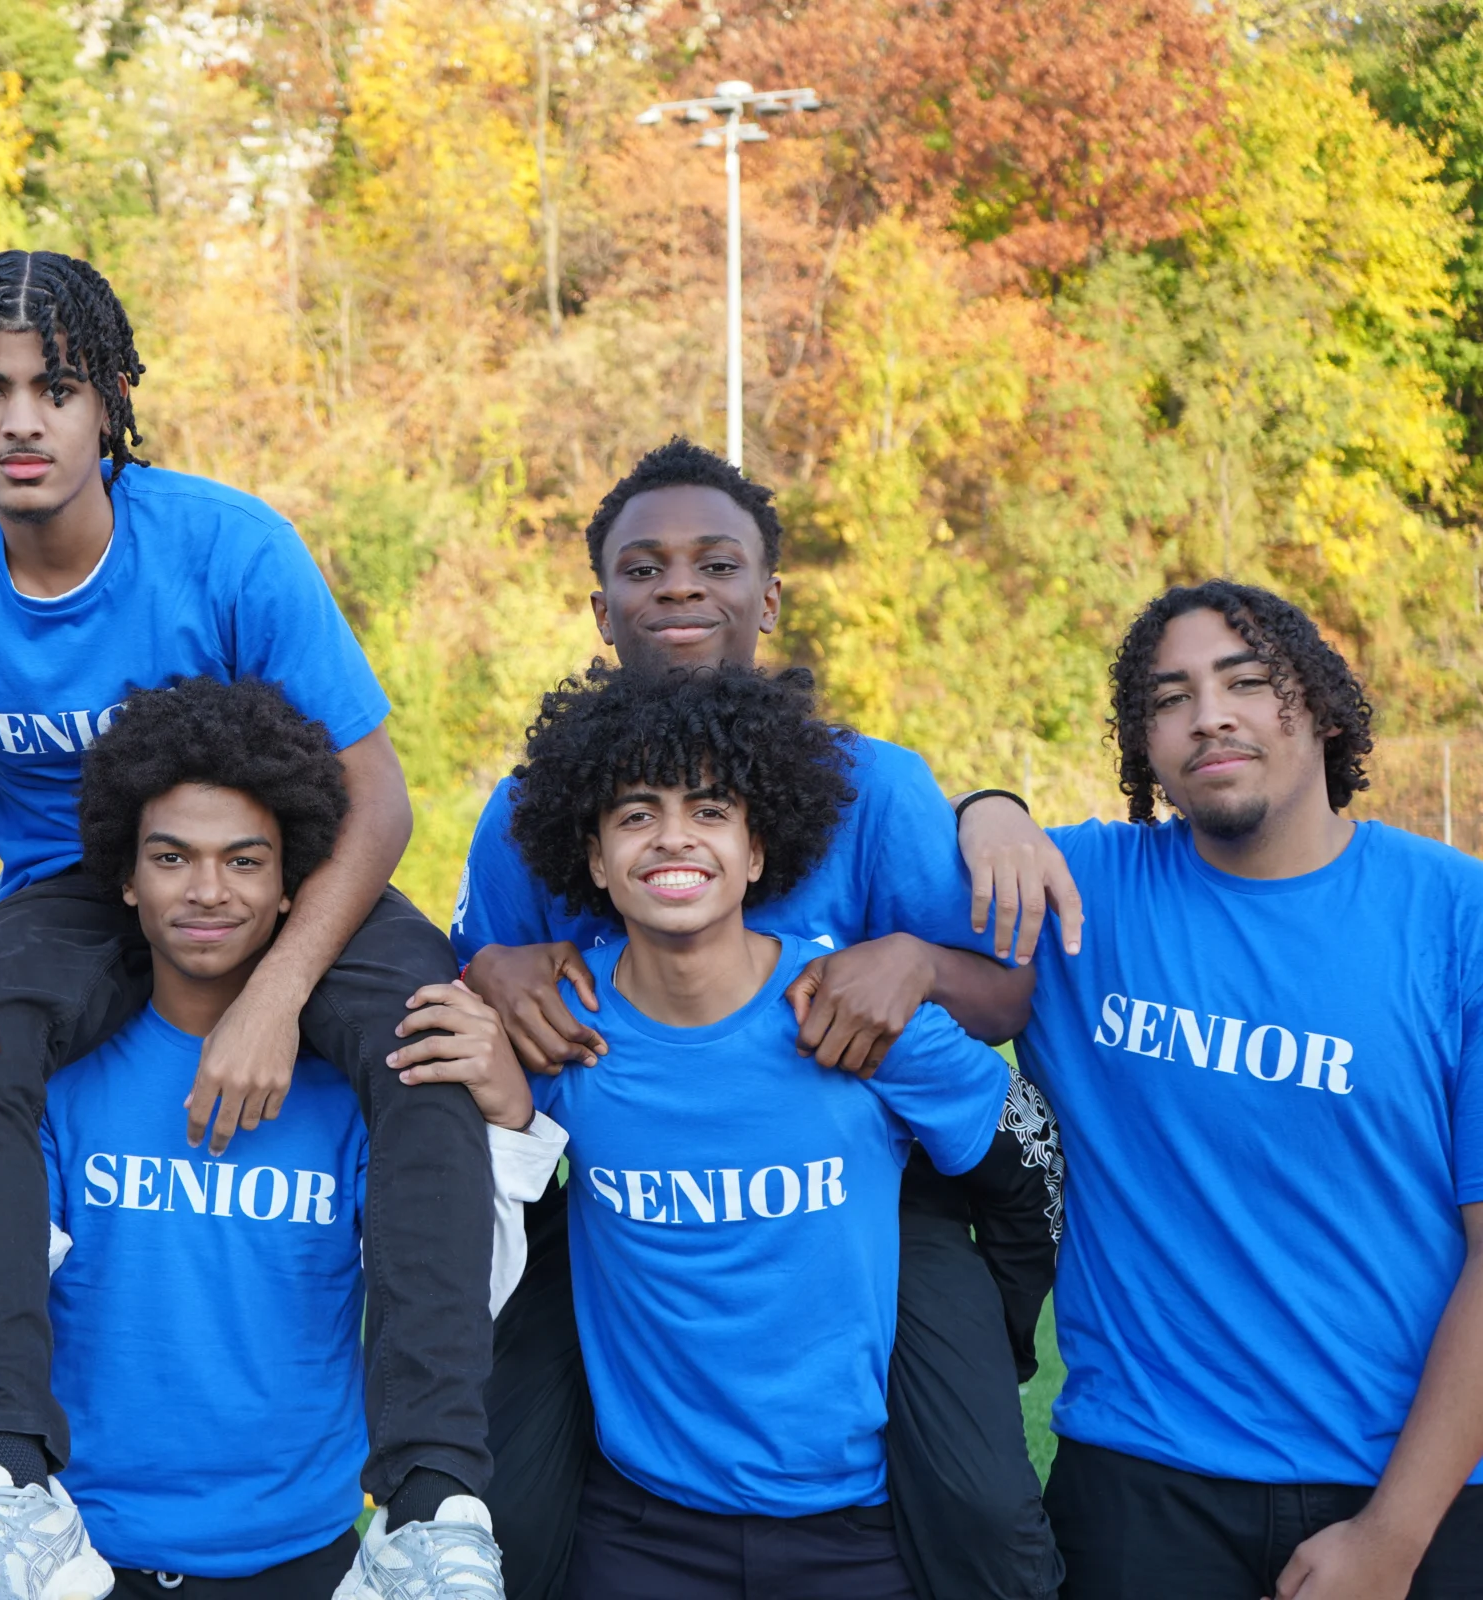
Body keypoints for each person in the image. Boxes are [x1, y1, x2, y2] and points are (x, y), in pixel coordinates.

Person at [0, 251, 498, 1597]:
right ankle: (3, 1474)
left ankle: (432, 1503)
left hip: (278, 874)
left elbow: (379, 799)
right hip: (80, 896)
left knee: (427, 1042)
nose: (23, 419)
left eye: (56, 388)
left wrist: (278, 993)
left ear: (110, 405)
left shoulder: (226, 545)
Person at [452, 438, 1068, 1600]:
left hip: (864, 1171)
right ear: (602, 610)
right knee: (512, 1510)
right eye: (644, 568)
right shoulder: (537, 802)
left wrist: (914, 958)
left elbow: (1002, 999)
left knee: (983, 1510)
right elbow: (478, 972)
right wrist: (494, 964)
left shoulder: (872, 785)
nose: (679, 586)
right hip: (624, 1161)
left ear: (769, 596)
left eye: (715, 563)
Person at [0, 676, 565, 1598]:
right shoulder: (60, 1073)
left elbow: (460, 1288)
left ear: (293, 887)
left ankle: (427, 1519)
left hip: (296, 1558)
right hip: (75, 1553)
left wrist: (508, 1117)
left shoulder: (360, 1087)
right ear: (125, 877)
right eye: (172, 859)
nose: (208, 891)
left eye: (245, 862)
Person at [503, 661, 1016, 1599]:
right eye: (634, 815)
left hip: (855, 1529)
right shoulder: (563, 1033)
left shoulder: (853, 1012)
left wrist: (1005, 1333)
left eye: (709, 811)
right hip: (639, 1528)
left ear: (754, 853)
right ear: (593, 860)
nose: (671, 838)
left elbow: (1021, 1168)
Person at [1013, 580, 1483, 1600]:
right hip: (1143, 1485)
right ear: (1146, 744)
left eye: (1247, 682)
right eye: (1168, 697)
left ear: (1317, 704)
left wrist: (1393, 1536)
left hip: (1407, 1490)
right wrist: (989, 813)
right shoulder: (1080, 891)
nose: (1209, 714)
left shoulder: (1458, 917)